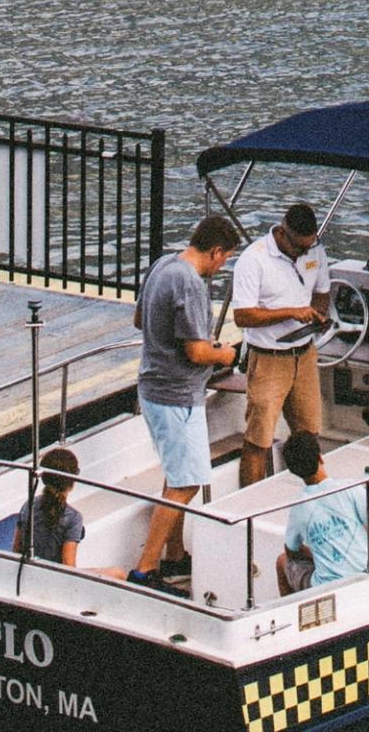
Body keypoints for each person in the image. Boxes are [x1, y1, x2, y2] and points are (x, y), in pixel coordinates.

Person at [128, 214, 242, 590]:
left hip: (154, 388)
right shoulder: (190, 283)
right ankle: (145, 570)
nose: (222, 266)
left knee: (177, 473)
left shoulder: (163, 264)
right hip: (176, 395)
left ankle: (175, 555)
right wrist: (225, 354)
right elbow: (196, 351)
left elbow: (138, 318)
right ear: (215, 251)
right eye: (224, 258)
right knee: (188, 481)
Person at [232, 201, 330, 484]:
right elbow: (242, 316)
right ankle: (250, 510)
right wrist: (291, 312)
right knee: (258, 440)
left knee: (310, 434)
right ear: (283, 234)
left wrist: (318, 315)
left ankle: (315, 497)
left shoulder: (315, 251)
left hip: (305, 353)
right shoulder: (254, 259)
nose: (305, 253)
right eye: (300, 248)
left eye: (310, 247)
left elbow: (322, 292)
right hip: (268, 358)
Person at [275, 430, 369, 592]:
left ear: (293, 471)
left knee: (281, 561)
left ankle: (289, 612)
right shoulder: (350, 488)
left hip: (325, 585)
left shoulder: (299, 506)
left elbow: (291, 551)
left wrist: (316, 553)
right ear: (321, 457)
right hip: (366, 570)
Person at [17, 447, 86, 566]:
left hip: (29, 573)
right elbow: (68, 566)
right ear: (72, 481)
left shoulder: (29, 504)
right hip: (54, 580)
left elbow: (16, 549)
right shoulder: (74, 518)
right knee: (118, 573)